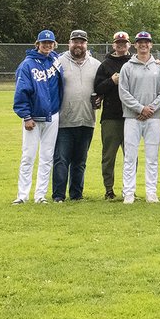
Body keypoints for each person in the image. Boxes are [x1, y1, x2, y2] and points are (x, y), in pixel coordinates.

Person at [118, 31, 160, 203]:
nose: (143, 45)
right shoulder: (127, 67)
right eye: (140, 42)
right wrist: (140, 109)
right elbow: (123, 92)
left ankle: (151, 192)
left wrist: (150, 109)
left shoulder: (159, 67)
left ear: (151, 45)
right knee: (130, 157)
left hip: (153, 118)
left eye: (146, 42)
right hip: (132, 118)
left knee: (152, 157)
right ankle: (129, 193)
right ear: (135, 45)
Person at [12, 29, 62, 204]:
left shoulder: (55, 60)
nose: (47, 45)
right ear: (37, 44)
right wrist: (26, 116)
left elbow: (76, 54)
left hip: (53, 116)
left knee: (47, 157)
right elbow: (20, 92)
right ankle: (22, 195)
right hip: (33, 118)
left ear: (54, 44)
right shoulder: (27, 65)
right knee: (28, 156)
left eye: (50, 43)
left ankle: (40, 195)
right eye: (44, 43)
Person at [52, 29, 101, 202]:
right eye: (75, 41)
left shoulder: (95, 64)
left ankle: (76, 195)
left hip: (87, 120)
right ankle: (58, 195)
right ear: (69, 43)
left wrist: (99, 98)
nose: (78, 45)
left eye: (81, 41)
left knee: (80, 161)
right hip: (64, 120)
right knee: (61, 160)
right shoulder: (57, 62)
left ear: (86, 44)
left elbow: (101, 88)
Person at [93, 31, 132, 201]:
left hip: (131, 116)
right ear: (113, 45)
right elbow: (98, 88)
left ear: (129, 44)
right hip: (111, 116)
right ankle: (109, 189)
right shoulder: (106, 64)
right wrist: (111, 81)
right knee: (109, 155)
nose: (121, 46)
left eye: (124, 43)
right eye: (118, 43)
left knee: (131, 156)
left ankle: (129, 189)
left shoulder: (135, 62)